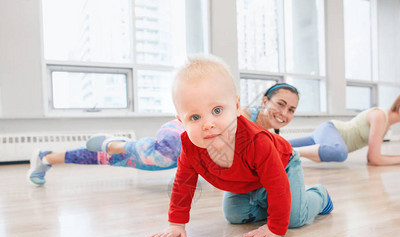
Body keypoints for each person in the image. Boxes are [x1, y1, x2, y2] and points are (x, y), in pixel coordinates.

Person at [149, 55, 332, 237]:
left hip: (283, 165)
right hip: (247, 180)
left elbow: (277, 183)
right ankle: (272, 201)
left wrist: (275, 225)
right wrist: (176, 223)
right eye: (195, 117)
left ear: (236, 107)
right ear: (181, 121)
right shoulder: (189, 145)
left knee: (293, 219)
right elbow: (183, 184)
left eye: (217, 111)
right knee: (235, 216)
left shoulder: (257, 141)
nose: (208, 124)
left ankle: (319, 195)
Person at [27, 83, 300, 186]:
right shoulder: (240, 114)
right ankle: (118, 144)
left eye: (291, 110)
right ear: (265, 100)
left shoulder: (266, 139)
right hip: (181, 132)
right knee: (163, 150)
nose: (284, 113)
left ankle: (48, 157)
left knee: (118, 159)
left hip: (182, 153)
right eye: (280, 104)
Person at [289, 89, 400, 166]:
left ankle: (285, 151)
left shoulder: (386, 124)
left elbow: (375, 158)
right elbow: (374, 159)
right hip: (331, 130)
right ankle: (292, 153)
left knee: (279, 145)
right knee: (339, 153)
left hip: (327, 139)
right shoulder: (380, 116)